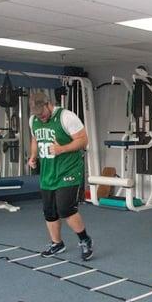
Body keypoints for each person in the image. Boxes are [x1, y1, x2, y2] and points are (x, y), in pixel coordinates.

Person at [28, 92, 93, 261]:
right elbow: (35, 139)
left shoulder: (66, 117)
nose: (40, 117)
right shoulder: (33, 120)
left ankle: (84, 239)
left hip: (69, 170)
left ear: (49, 104)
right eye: (37, 115)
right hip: (48, 172)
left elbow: (83, 140)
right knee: (49, 211)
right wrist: (33, 156)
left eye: (42, 113)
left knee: (65, 209)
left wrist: (61, 149)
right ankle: (57, 243)